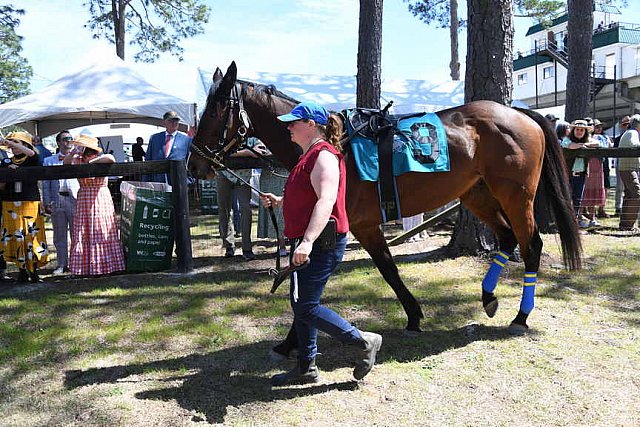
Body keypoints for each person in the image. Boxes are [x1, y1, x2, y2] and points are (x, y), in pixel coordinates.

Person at [260, 101, 382, 386]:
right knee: (301, 303)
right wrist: (280, 201)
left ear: (311, 125)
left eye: (294, 122)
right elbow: (310, 194)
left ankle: (363, 341)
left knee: (305, 306)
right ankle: (306, 367)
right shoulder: (309, 156)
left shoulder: (323, 156)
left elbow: (326, 201)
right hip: (310, 241)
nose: (288, 127)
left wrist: (307, 243)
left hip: (320, 242)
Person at [64, 135, 125, 276]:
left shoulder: (101, 159)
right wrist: (73, 152)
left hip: (100, 197)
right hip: (84, 197)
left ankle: (105, 266)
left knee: (101, 230)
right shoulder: (77, 159)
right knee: (83, 232)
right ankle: (85, 268)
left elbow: (111, 158)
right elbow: (65, 164)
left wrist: (91, 163)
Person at [0, 132, 49, 283]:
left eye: (17, 142)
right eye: (11, 142)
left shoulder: (32, 158)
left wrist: (9, 143)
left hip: (30, 202)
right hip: (10, 202)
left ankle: (34, 271)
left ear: (25, 144)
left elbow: (32, 152)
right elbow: (1, 185)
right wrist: (9, 173)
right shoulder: (6, 161)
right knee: (15, 236)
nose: (12, 145)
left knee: (31, 236)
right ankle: (21, 271)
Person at [216, 137, 266, 260]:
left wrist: (238, 153)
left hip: (243, 177)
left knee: (246, 209)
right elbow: (221, 152)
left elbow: (261, 150)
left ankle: (247, 248)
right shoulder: (224, 134)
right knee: (224, 209)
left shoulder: (252, 137)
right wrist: (248, 152)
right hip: (224, 174)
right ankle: (229, 246)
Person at [42, 130, 79, 274]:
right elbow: (45, 183)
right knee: (59, 235)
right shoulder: (49, 161)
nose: (68, 142)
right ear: (58, 142)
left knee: (76, 234)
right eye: (64, 139)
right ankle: (61, 264)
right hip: (56, 200)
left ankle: (76, 264)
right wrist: (46, 201)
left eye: (70, 139)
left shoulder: (77, 159)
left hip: (74, 200)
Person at [561, 119, 599, 227]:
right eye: (577, 129)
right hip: (568, 175)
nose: (579, 132)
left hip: (581, 175)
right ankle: (565, 222)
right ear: (573, 130)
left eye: (582, 130)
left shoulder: (587, 140)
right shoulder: (567, 140)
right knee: (566, 198)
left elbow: (597, 143)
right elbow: (568, 145)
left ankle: (575, 220)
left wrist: (584, 144)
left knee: (578, 199)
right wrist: (581, 146)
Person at [145, 111, 192, 184]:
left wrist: (189, 180)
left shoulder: (186, 140)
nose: (174, 123)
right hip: (158, 182)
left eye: (176, 120)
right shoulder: (154, 138)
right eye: (170, 120)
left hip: (179, 182)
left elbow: (190, 162)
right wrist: (146, 182)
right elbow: (148, 161)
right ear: (164, 123)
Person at [581, 118, 610, 225]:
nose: (595, 127)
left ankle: (592, 217)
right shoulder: (582, 138)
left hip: (597, 166)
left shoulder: (599, 137)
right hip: (586, 166)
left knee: (594, 191)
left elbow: (602, 145)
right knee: (583, 191)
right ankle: (580, 216)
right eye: (592, 125)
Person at [616, 114, 640, 231]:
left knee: (629, 195)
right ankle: (628, 225)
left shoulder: (630, 132)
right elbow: (633, 145)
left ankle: (625, 225)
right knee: (636, 194)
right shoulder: (633, 133)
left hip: (626, 168)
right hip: (629, 169)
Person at [613, 116, 630, 216]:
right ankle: (618, 207)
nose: (626, 126)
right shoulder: (617, 139)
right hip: (620, 163)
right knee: (619, 186)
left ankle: (628, 208)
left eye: (628, 124)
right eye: (624, 124)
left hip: (633, 164)